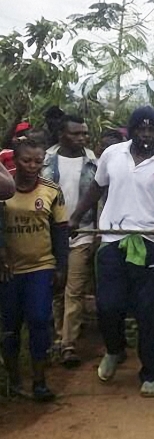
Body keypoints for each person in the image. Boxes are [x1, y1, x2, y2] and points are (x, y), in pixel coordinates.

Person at [69, 106, 154, 398]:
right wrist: (76, 217)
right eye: (140, 129)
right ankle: (115, 350)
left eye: (152, 130)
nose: (145, 134)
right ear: (131, 130)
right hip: (112, 240)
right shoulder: (112, 154)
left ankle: (150, 374)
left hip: (152, 245)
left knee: (149, 313)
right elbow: (96, 188)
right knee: (108, 306)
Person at [0, 139, 69, 401]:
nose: (32, 166)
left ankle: (40, 381)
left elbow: (61, 231)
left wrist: (61, 266)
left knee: (40, 320)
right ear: (14, 162)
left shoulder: (52, 191)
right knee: (10, 326)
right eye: (26, 160)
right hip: (8, 270)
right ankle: (15, 380)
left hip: (41, 265)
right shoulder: (3, 189)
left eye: (38, 161)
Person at [42, 115, 98, 369]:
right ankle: (56, 336)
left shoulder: (93, 162)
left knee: (74, 289)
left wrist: (97, 232)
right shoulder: (45, 160)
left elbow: (99, 199)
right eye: (76, 134)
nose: (82, 138)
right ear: (61, 135)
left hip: (82, 232)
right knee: (56, 286)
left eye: (84, 134)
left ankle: (68, 343)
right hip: (49, 233)